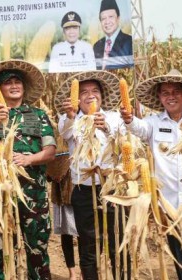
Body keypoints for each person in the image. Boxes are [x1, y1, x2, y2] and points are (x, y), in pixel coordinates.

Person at [0, 59, 56, 279]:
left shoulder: (38, 115)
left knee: (37, 248)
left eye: (17, 81)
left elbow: (50, 151)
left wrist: (29, 160)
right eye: (7, 82)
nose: (13, 86)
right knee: (1, 247)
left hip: (33, 191)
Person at [120, 69, 182, 280]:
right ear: (159, 97)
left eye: (176, 91)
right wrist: (128, 118)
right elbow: (138, 128)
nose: (170, 96)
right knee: (179, 254)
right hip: (168, 203)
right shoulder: (154, 123)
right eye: (165, 92)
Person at [55, 70, 130, 280]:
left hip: (112, 189)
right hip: (83, 189)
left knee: (118, 242)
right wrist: (71, 116)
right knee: (88, 246)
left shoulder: (115, 118)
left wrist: (105, 128)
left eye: (95, 91)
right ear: (76, 99)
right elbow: (65, 132)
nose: (90, 95)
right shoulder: (68, 119)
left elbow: (125, 145)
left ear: (102, 95)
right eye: (84, 92)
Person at [93, 0, 133, 70]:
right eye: (103, 19)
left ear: (118, 18)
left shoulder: (129, 42)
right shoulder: (96, 46)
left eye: (111, 17)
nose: (107, 22)